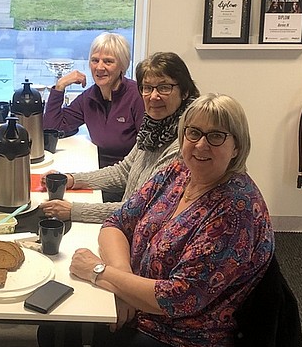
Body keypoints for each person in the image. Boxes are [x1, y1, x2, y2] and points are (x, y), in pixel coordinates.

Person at [38, 93, 275, 347]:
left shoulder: (234, 210)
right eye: (193, 133)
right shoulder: (178, 172)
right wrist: (122, 283)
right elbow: (118, 222)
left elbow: (175, 299)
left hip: (193, 343)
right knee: (55, 331)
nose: (200, 145)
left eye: (216, 136)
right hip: (149, 312)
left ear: (237, 146)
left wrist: (101, 272)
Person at [38, 51, 200, 223]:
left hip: (135, 228)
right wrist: (70, 179)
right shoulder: (153, 128)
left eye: (164, 88)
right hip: (124, 220)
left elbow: (142, 209)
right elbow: (123, 172)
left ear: (184, 92)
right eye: (147, 88)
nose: (153, 96)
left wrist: (74, 211)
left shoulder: (183, 144)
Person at [43, 32, 145, 169]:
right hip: (96, 168)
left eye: (108, 61)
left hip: (127, 173)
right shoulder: (89, 97)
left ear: (123, 65)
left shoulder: (137, 96)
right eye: (95, 60)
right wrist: (60, 86)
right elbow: (52, 129)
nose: (99, 67)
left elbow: (145, 153)